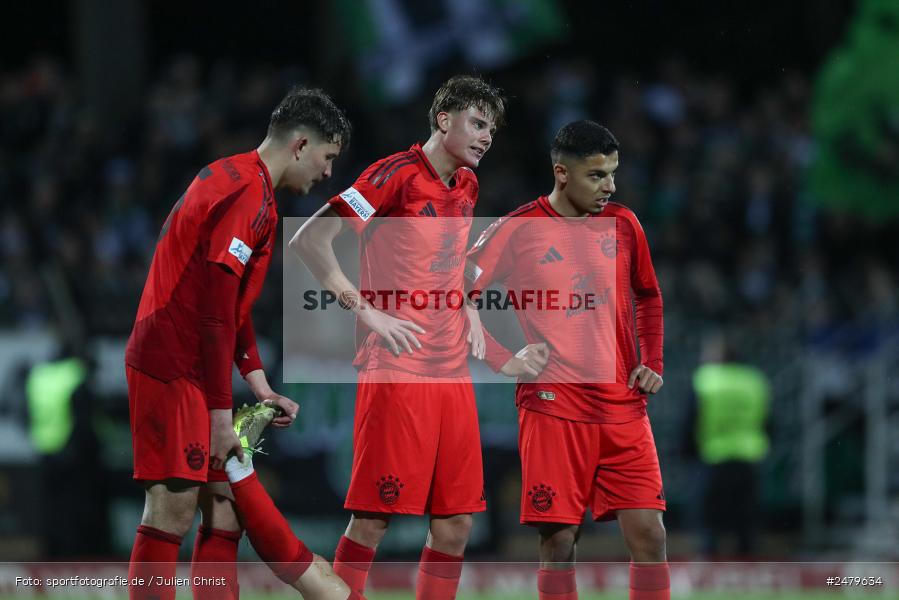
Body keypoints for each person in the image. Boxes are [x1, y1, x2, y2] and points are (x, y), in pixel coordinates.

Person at [125, 86, 351, 600]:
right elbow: (212, 317)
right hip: (170, 361)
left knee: (224, 505)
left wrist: (259, 384)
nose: (327, 173)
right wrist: (221, 416)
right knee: (172, 507)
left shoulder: (237, 179)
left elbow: (229, 306)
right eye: (327, 157)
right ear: (299, 146)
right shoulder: (247, 196)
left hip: (187, 359)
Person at [290, 75, 506, 599]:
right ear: (442, 119)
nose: (485, 138)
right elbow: (310, 239)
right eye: (477, 123)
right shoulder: (393, 176)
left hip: (452, 372)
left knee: (456, 526)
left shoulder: (468, 187)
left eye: (492, 131)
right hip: (398, 368)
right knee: (374, 520)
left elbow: (446, 266)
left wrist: (470, 306)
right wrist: (369, 314)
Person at [466, 121, 670, 600]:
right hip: (553, 407)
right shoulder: (517, 229)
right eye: (597, 175)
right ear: (562, 173)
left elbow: (650, 296)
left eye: (613, 174)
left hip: (623, 406)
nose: (610, 186)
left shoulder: (625, 224)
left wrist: (653, 360)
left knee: (651, 536)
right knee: (559, 543)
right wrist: (503, 358)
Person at [688, 330, 770, 558]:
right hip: (749, 458)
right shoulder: (755, 381)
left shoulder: (705, 380)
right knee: (746, 524)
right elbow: (768, 421)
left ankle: (709, 576)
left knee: (709, 524)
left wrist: (689, 453)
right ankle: (750, 576)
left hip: (714, 457)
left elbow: (691, 421)